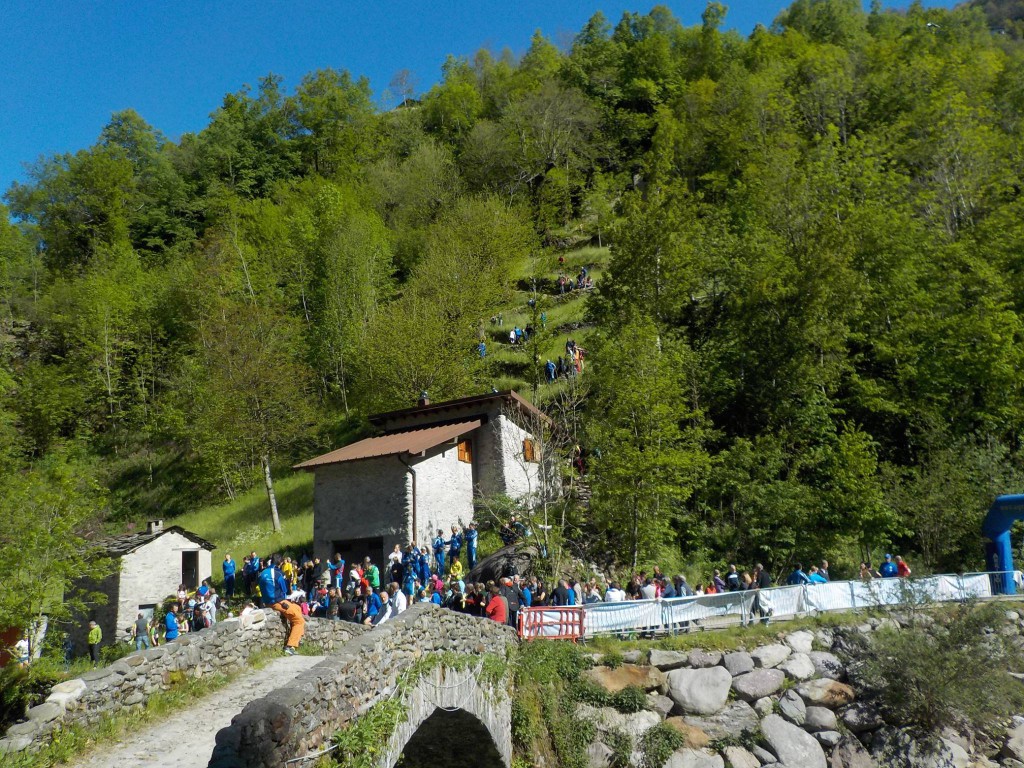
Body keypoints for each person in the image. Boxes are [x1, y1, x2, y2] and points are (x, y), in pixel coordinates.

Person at [260, 554, 305, 655]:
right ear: (280, 563)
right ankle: (290, 646)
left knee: (297, 608)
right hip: (278, 602)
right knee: (299, 621)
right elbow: (286, 590)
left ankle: (297, 637)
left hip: (266, 601)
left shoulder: (263, 572)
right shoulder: (279, 573)